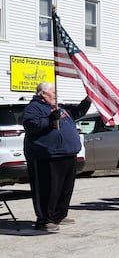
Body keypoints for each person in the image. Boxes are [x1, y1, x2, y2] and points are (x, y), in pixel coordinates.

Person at [21, 82, 92, 231]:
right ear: (43, 94)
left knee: (65, 189)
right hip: (47, 156)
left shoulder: (60, 107)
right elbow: (30, 125)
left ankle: (59, 215)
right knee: (48, 189)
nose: (56, 95)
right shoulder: (34, 108)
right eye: (53, 92)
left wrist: (87, 101)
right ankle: (45, 220)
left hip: (68, 153)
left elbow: (78, 112)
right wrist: (49, 120)